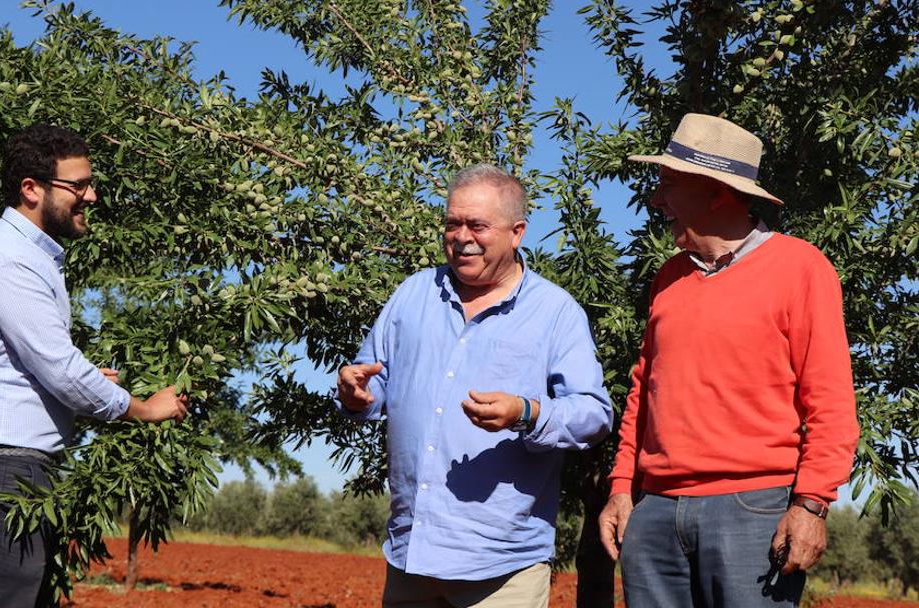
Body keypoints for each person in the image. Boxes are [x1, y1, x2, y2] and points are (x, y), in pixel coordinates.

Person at [598, 113, 859, 607]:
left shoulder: (801, 268)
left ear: (717, 191)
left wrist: (811, 504)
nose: (657, 200)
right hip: (655, 512)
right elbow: (642, 394)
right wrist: (621, 487)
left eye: (669, 185)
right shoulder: (668, 278)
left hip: (753, 509)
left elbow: (829, 402)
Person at [337, 163, 613, 607]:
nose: (461, 236)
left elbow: (594, 414)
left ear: (516, 232)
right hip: (412, 554)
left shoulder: (555, 313)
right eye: (452, 223)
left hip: (501, 566)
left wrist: (528, 412)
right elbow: (373, 381)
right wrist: (355, 393)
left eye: (477, 225)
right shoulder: (412, 295)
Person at [0, 123, 188, 608]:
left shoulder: (22, 256)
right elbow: (62, 372)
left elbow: (41, 367)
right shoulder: (11, 261)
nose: (91, 196)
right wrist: (146, 409)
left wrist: (82, 380)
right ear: (31, 189)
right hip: (0, 474)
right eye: (79, 185)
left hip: (3, 470)